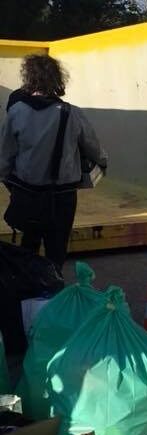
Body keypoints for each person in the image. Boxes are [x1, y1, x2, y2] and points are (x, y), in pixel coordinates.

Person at [0, 54, 106, 273]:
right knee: (56, 252)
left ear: (28, 77)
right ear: (58, 79)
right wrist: (102, 164)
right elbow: (95, 151)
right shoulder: (72, 113)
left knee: (28, 246)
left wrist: (10, 184)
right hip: (63, 197)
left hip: (28, 194)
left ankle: (28, 296)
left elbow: (4, 158)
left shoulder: (16, 112)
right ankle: (54, 289)